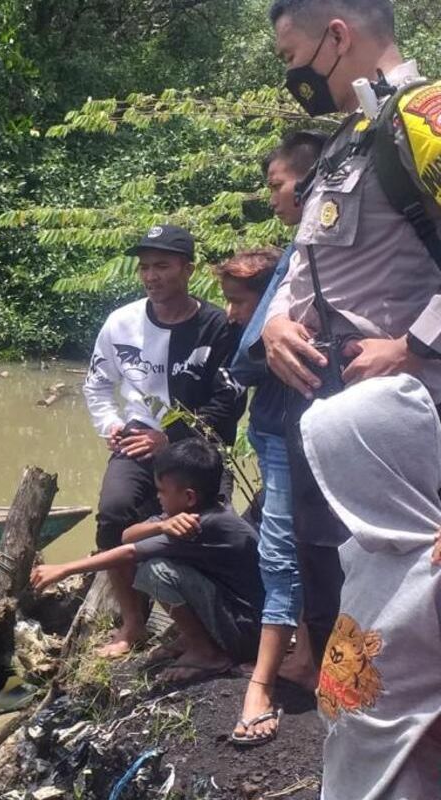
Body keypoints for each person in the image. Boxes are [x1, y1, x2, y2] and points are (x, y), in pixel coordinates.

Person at [261, 0, 441, 673]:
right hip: (327, 402)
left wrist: (414, 345)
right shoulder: (348, 136)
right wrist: (277, 320)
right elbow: (306, 259)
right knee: (333, 571)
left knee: (412, 591)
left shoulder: (422, 117)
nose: (293, 76)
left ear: (337, 36)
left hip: (403, 414)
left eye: (291, 57)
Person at [82, 224, 244, 657]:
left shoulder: (218, 325)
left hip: (199, 448)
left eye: (163, 266)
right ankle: (132, 623)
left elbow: (229, 400)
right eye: (145, 267)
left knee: (203, 529)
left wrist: (169, 437)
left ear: (187, 269)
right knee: (114, 514)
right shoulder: (121, 323)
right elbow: (97, 385)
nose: (151, 276)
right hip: (137, 439)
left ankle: (201, 626)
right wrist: (111, 426)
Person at [223, 132, 327, 747]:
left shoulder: (306, 255)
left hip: (296, 426)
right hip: (283, 424)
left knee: (283, 550)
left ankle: (260, 687)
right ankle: (305, 656)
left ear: (308, 181)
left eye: (277, 184)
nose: (273, 198)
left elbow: (246, 357)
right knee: (302, 544)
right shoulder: (305, 250)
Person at [298, 375, 441, 799]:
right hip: (354, 767)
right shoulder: (362, 551)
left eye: (335, 475)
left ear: (377, 476)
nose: (324, 495)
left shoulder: (432, 572)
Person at [31, 438, 263, 683]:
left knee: (155, 571)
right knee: (156, 560)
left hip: (247, 631)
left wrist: (65, 569)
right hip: (236, 618)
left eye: (162, 491)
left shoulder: (204, 524)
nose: (158, 497)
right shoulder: (188, 512)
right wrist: (161, 525)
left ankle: (206, 653)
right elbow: (126, 535)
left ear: (189, 496)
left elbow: (130, 552)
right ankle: (194, 638)